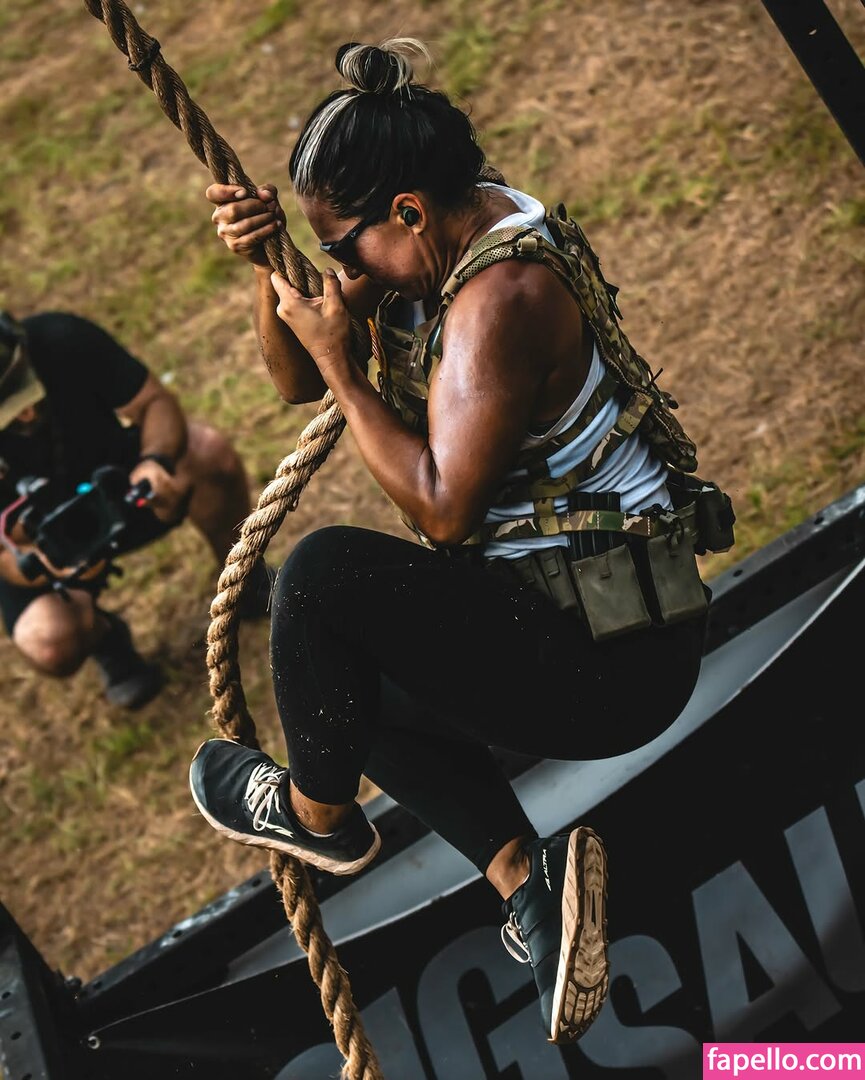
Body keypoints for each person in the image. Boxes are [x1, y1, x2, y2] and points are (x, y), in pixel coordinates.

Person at [189, 38, 733, 1044]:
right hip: (577, 627)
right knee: (338, 680)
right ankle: (529, 885)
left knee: (321, 577)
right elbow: (294, 377)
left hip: (610, 660)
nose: (343, 272)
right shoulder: (442, 222)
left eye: (344, 249)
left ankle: (313, 819)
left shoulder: (500, 296)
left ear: (405, 212)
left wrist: (346, 369)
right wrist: (273, 275)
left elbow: (443, 510)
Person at [0, 309, 265, 709]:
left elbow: (153, 401)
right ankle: (107, 640)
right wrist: (43, 567)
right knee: (49, 642)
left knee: (206, 454)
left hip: (121, 489)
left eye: (23, 388)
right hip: (41, 548)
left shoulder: (59, 339)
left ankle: (243, 578)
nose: (26, 412)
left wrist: (155, 460)